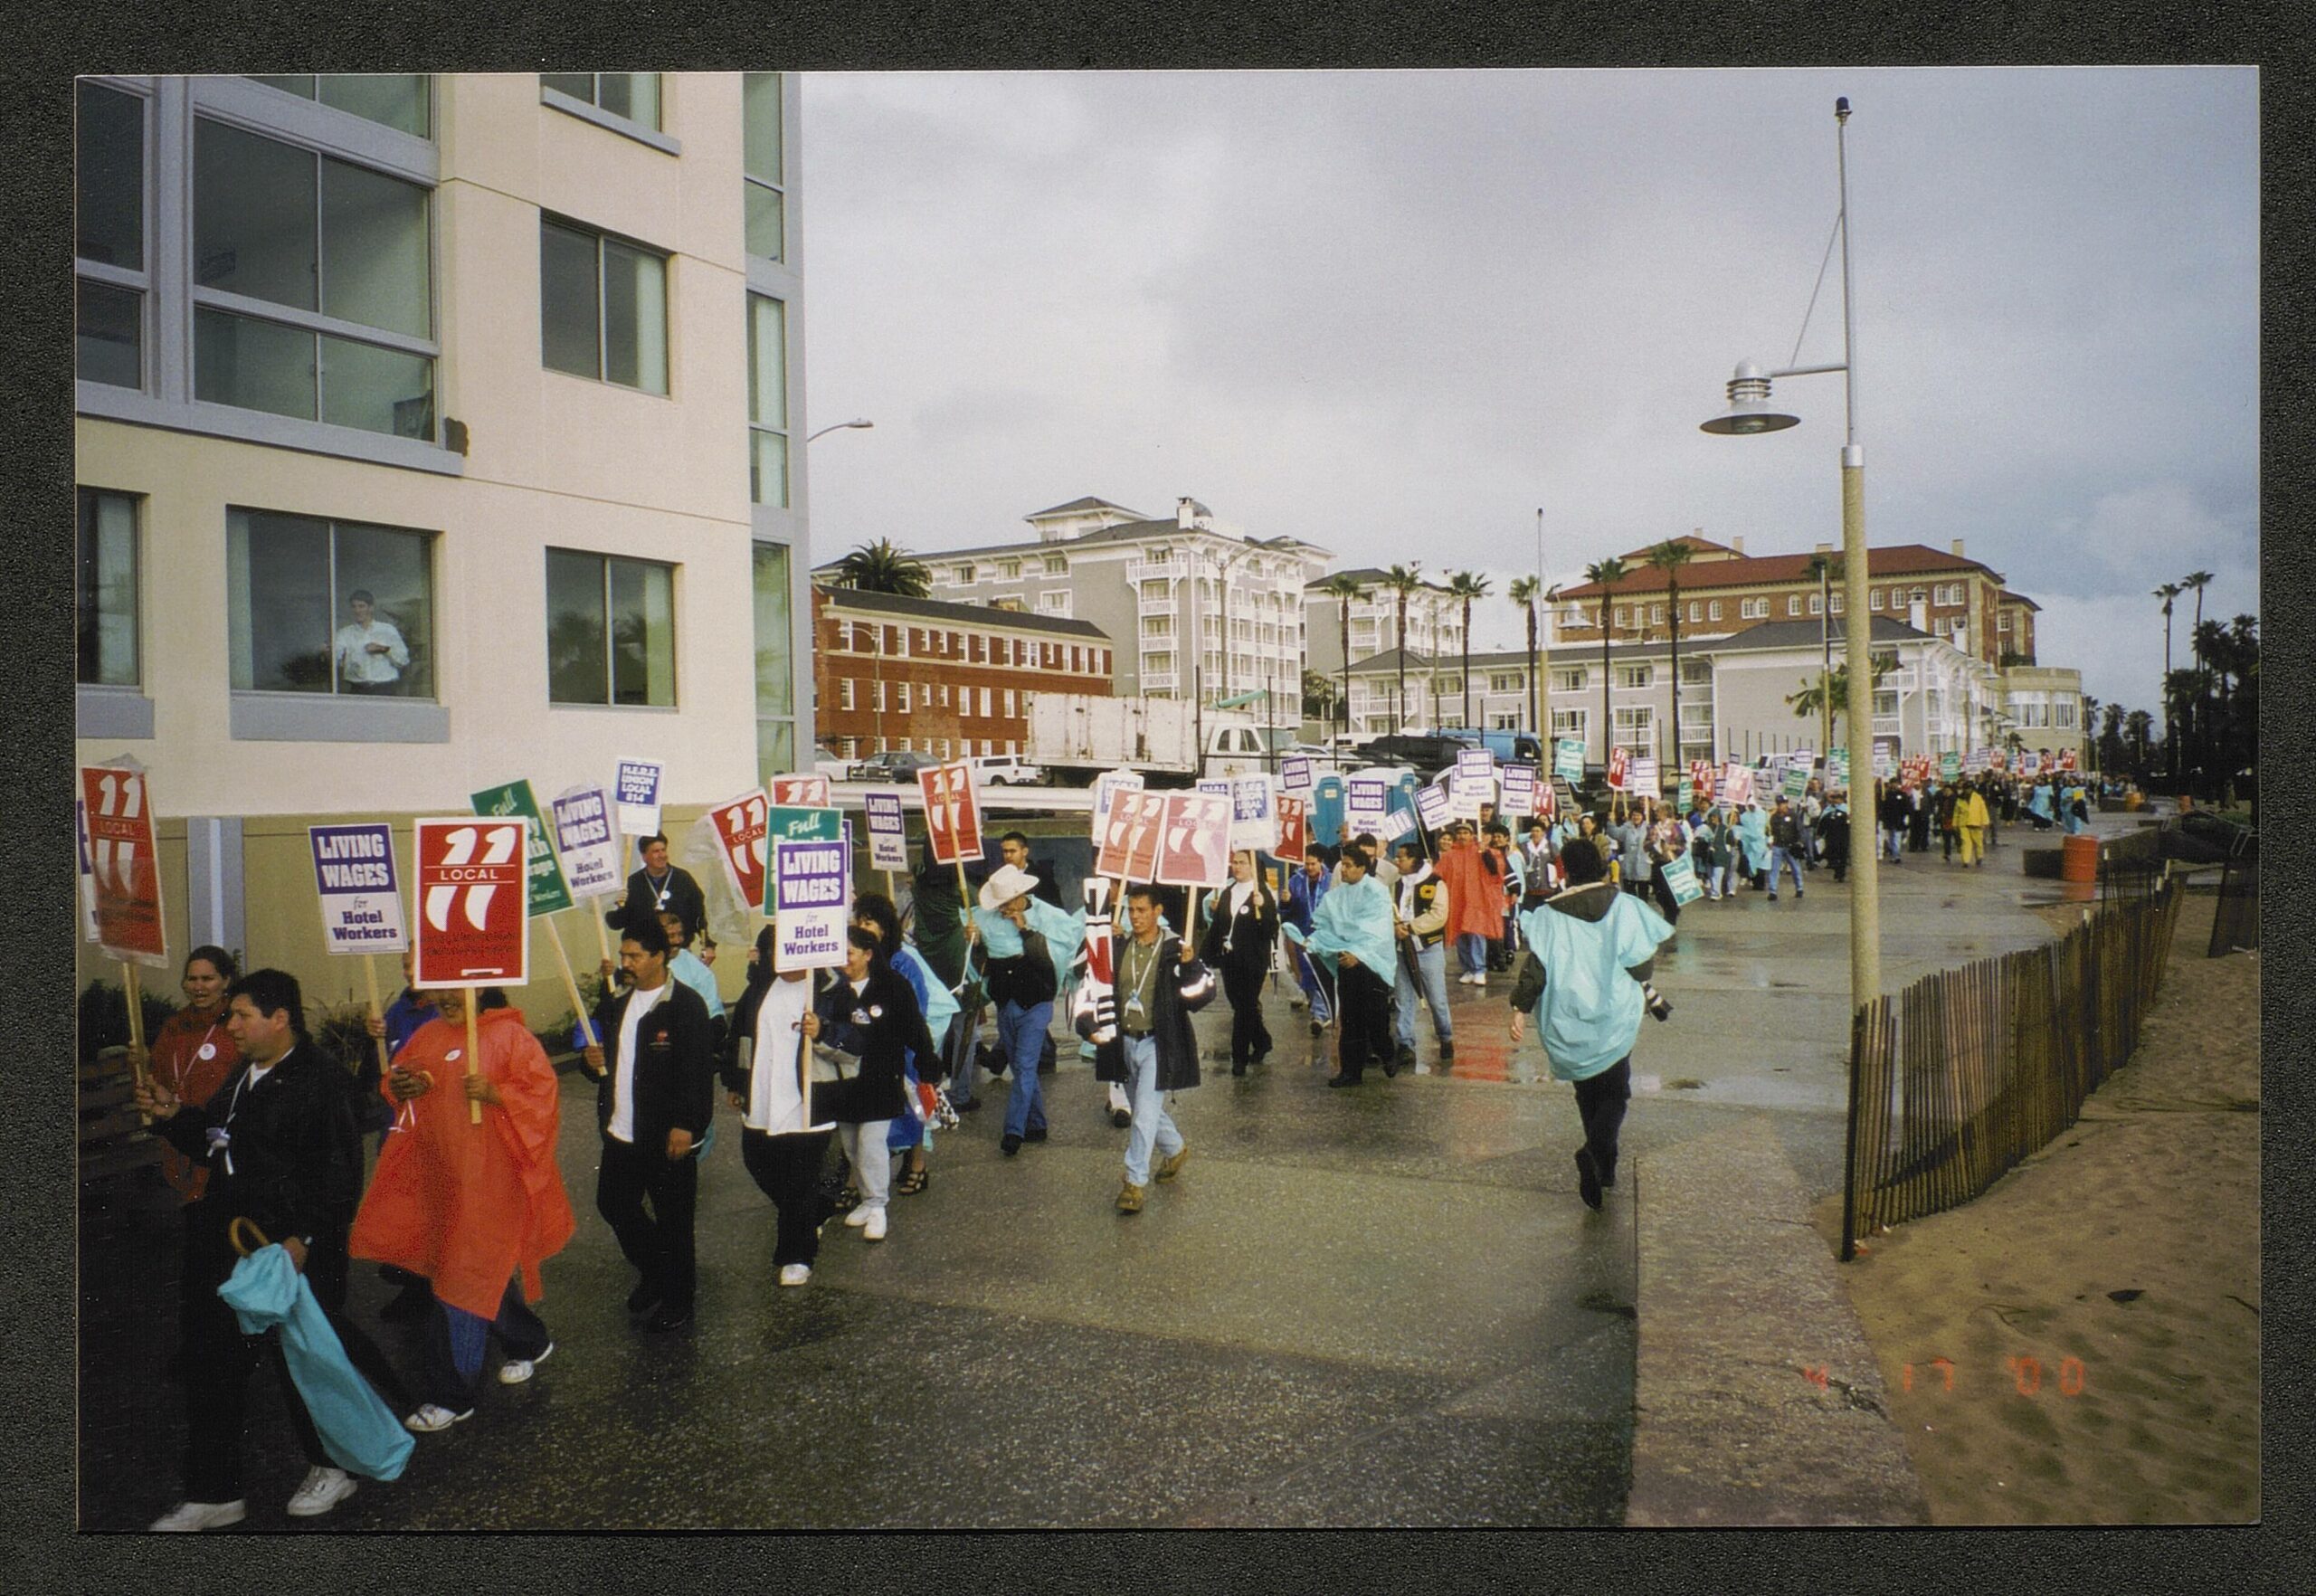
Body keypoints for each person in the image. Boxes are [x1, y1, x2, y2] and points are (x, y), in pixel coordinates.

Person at [135, 970, 373, 1529]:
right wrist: (174, 1117)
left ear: (280, 1018)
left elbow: (339, 1175)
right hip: (233, 1245)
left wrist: (304, 1238)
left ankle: (332, 1467)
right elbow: (218, 1143)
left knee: (305, 1364)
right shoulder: (244, 1073)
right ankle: (214, 1492)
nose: (232, 1025)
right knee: (211, 1365)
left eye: (242, 1015)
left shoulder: (323, 1080)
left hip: (289, 1253)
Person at [351, 986, 572, 1433]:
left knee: (461, 1279)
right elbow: (399, 1081)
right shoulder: (430, 1034)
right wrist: (399, 1085)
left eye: (455, 990)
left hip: (492, 1183)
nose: (445, 998)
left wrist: (499, 1094)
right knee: (475, 1271)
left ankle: (451, 1395)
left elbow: (544, 1099)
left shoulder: (512, 1037)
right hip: (444, 1179)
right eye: (440, 991)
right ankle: (527, 1340)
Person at [1507, 839, 1675, 1211]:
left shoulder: (1548, 913)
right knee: (1616, 1093)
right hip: (1613, 1012)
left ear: (1564, 869)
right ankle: (1597, 1154)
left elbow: (1536, 968)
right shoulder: (1624, 906)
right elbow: (1641, 966)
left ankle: (1603, 1165)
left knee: (1587, 1092)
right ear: (1601, 864)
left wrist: (1519, 1008)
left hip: (1568, 1014)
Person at [584, 918, 717, 1334]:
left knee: (674, 1220)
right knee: (614, 1205)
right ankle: (658, 1271)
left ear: (660, 957)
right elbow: (607, 1065)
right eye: (624, 955)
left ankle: (678, 1297)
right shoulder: (617, 1004)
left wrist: (686, 1125)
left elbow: (697, 1072)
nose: (626, 962)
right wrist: (592, 1067)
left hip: (666, 1137)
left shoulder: (685, 1006)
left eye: (635, 956)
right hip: (622, 1131)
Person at [1077, 882, 1216, 1213]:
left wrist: (1192, 966)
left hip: (1158, 1043)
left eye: (1142, 911)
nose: (1135, 917)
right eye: (1130, 910)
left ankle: (1133, 1183)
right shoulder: (1117, 947)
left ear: (1158, 912)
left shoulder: (1175, 949)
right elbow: (1089, 991)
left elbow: (1202, 995)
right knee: (1144, 1110)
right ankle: (1175, 1148)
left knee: (1143, 1115)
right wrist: (1088, 1026)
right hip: (1122, 1043)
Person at [809, 925, 938, 1242]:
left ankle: (879, 1205)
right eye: (840, 955)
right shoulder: (832, 990)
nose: (844, 962)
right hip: (844, 1082)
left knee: (871, 1145)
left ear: (868, 954)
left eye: (850, 954)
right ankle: (867, 1200)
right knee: (852, 1146)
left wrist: (927, 1065)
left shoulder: (892, 985)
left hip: (882, 1077)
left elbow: (915, 1028)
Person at [723, 926, 834, 1287]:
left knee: (800, 1180)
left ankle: (797, 1255)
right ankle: (813, 1211)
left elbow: (853, 1037)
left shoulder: (827, 991)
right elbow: (740, 1038)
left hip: (808, 1103)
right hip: (763, 1098)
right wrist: (736, 1082)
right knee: (757, 1162)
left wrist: (824, 1031)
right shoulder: (758, 990)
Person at [967, 861, 1085, 1157]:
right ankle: (1037, 1123)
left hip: (1037, 1001)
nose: (1004, 908)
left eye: (1009, 902)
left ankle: (1013, 1130)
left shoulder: (1049, 916)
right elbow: (979, 961)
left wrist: (1027, 931)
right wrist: (976, 942)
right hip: (1006, 1002)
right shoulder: (987, 919)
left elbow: (1052, 960)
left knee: (1025, 1065)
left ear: (1021, 895)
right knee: (1022, 1066)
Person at [852, 891, 956, 1196]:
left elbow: (917, 1008)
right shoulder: (856, 959)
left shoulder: (904, 961)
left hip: (903, 1050)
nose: (863, 927)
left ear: (884, 926)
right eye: (859, 921)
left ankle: (917, 1165)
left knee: (913, 1110)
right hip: (865, 1052)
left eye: (869, 922)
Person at [131, 946, 242, 1211]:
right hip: (180, 1134)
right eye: (192, 979)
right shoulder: (176, 1025)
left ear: (226, 981)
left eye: (208, 978)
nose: (199, 986)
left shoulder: (236, 1026)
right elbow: (156, 1076)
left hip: (219, 1137)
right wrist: (141, 1064)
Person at [1296, 843, 1399, 1087]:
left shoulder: (1376, 892)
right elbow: (1324, 925)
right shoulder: (1336, 896)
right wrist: (1314, 941)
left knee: (1375, 1018)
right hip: (1345, 960)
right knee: (1350, 1019)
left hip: (1372, 964)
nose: (1344, 871)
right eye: (1342, 866)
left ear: (1362, 868)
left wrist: (1359, 954)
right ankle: (1350, 1071)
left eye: (1350, 866)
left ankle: (1387, 1052)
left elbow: (1377, 930)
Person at [1201, 850, 1279, 1076]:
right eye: (1234, 863)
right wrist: (1204, 956)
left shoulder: (1263, 892)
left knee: (1244, 1008)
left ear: (1253, 866)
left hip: (1253, 959)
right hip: (1230, 959)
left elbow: (1270, 930)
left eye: (1242, 863)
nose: (1237, 867)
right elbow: (1217, 927)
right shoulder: (1227, 892)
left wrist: (1263, 907)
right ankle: (1262, 1040)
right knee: (1239, 1003)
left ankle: (1239, 1058)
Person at [1390, 840, 1455, 1069]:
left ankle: (1446, 1036)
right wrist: (1394, 926)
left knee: (1437, 999)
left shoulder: (1436, 883)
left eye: (1401, 857)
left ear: (1415, 860)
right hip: (1401, 949)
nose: (1397, 861)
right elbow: (1389, 910)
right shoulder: (1395, 885)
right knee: (1403, 998)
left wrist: (1411, 926)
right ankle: (1405, 1043)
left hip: (1428, 948)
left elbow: (1439, 915)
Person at [609, 833, 714, 963]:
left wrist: (708, 945)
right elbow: (616, 923)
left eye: (663, 850)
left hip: (679, 953)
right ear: (644, 856)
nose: (662, 855)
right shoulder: (632, 883)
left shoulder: (682, 879)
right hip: (646, 956)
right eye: (656, 851)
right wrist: (619, 905)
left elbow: (700, 914)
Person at [1283, 849, 1334, 1036]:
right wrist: (1286, 902)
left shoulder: (1331, 880)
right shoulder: (1295, 881)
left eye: (1313, 864)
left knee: (1321, 971)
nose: (1309, 867)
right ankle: (1320, 1009)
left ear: (1321, 862)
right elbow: (1287, 913)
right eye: (1307, 864)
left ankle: (1320, 1015)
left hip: (1324, 934)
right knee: (1307, 974)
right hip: (1303, 934)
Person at [332, 589, 409, 696]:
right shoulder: (345, 633)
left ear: (371, 608)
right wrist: (330, 653)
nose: (357, 610)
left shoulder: (387, 630)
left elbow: (403, 660)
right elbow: (335, 658)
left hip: (385, 689)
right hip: (357, 690)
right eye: (354, 606)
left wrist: (384, 649)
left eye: (361, 606)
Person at [1766, 795, 1807, 902]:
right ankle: (1773, 891)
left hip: (1791, 845)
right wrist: (1770, 840)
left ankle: (1799, 888)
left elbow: (1799, 830)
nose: (1781, 806)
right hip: (1778, 845)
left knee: (1795, 868)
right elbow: (1771, 831)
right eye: (1779, 804)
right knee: (1774, 869)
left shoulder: (1793, 815)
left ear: (1786, 803)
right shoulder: (1774, 817)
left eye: (1783, 803)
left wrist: (1800, 843)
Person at [1818, 793, 1853, 884]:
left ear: (1841, 800)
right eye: (1833, 798)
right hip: (1831, 837)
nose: (1835, 800)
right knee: (1833, 854)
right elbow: (1822, 821)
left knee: (1843, 856)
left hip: (1843, 837)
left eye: (1837, 798)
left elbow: (1850, 823)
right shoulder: (1828, 810)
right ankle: (1836, 869)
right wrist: (1820, 833)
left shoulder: (1846, 809)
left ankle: (1841, 874)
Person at [1956, 781, 1990, 868]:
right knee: (1966, 842)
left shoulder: (1978, 798)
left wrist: (1985, 822)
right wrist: (1955, 823)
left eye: (1970, 788)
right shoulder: (1960, 799)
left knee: (1978, 842)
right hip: (1964, 823)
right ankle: (1966, 861)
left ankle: (1979, 857)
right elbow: (1956, 812)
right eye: (1966, 788)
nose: (1968, 790)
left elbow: (1983, 810)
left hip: (1976, 823)